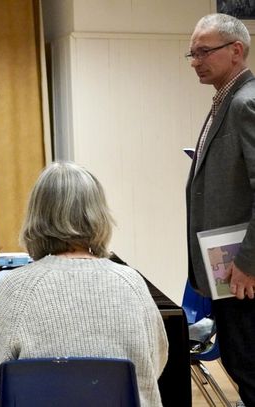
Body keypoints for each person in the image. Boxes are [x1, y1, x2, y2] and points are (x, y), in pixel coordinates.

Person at [0, 161, 169, 407]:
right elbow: (155, 361)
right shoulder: (131, 282)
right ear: (98, 215)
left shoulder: (15, 287)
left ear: (36, 216)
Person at [186, 13, 255, 405]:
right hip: (227, 271)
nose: (195, 61)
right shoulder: (225, 100)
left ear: (236, 50)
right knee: (240, 363)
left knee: (249, 368)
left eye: (203, 52)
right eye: (192, 54)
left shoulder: (246, 103)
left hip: (244, 274)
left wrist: (249, 261)